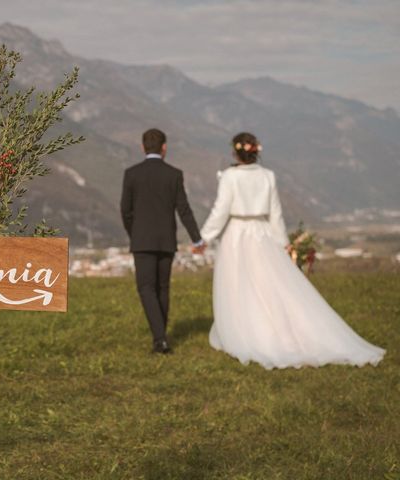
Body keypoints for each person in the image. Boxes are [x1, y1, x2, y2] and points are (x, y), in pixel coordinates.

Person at [200, 132, 385, 369]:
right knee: (268, 284)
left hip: (236, 234)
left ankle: (244, 329)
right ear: (255, 151)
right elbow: (276, 212)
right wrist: (281, 241)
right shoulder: (268, 176)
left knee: (238, 285)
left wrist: (204, 237)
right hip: (262, 233)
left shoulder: (229, 177)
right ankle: (276, 328)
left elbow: (221, 210)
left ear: (235, 152)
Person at [120, 128, 205, 354]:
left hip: (141, 240)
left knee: (146, 288)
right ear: (164, 147)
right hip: (167, 239)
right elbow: (184, 209)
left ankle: (160, 339)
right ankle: (161, 337)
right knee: (162, 288)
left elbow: (125, 211)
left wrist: (134, 233)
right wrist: (196, 238)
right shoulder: (174, 174)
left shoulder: (131, 174)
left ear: (142, 147)